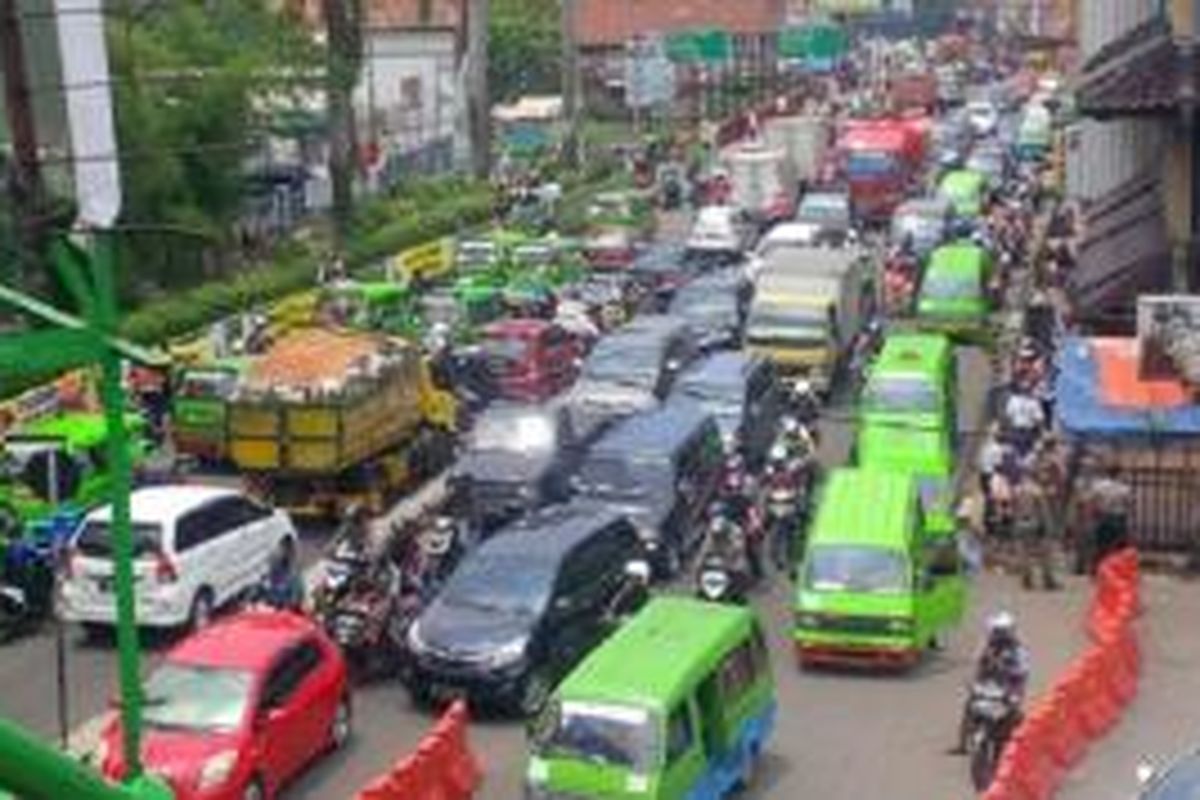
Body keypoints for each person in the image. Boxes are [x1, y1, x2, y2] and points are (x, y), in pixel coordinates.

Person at [951, 612, 1030, 754]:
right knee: (970, 707)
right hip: (989, 685)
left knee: (1015, 715)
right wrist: (973, 681)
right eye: (996, 631)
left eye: (1002, 632)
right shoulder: (987, 646)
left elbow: (1022, 672)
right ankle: (962, 744)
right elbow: (977, 663)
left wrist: (1009, 674)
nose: (998, 635)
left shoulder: (1018, 650)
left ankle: (1016, 748)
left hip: (1008, 687)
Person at [1080, 461, 1133, 572]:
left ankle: (1098, 569)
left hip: (1103, 517)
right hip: (1118, 518)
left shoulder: (1099, 486)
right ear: (1119, 474)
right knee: (1119, 546)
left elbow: (1089, 500)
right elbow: (1129, 503)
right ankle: (1117, 569)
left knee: (1101, 545)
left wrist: (1090, 513)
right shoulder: (1124, 488)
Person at [1011, 473, 1060, 590]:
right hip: (1036, 523)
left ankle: (1027, 579)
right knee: (1045, 553)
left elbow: (1014, 508)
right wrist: (1049, 527)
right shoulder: (1037, 491)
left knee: (1024, 552)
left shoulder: (1018, 490)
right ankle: (1048, 579)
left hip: (1021, 523)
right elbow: (1044, 511)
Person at [258, 545, 304, 611]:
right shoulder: (290, 575)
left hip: (283, 603)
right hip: (279, 601)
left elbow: (295, 597)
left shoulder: (293, 578)